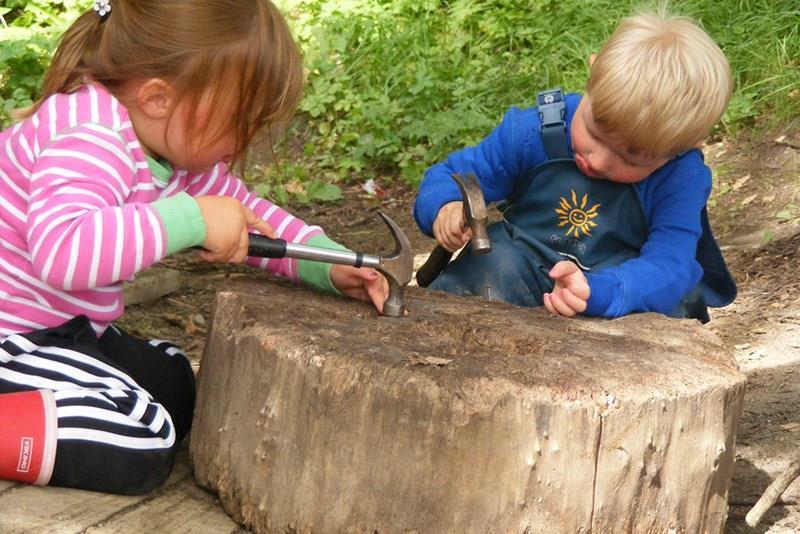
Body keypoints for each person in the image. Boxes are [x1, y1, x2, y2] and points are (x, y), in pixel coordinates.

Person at [0, 0, 388, 495]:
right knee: (143, 439)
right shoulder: (89, 135)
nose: (248, 136)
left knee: (175, 387)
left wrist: (329, 265)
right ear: (159, 97)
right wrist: (190, 218)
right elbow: (63, 251)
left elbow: (249, 214)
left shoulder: (170, 147)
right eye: (239, 119)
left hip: (63, 329)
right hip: (13, 334)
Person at [413, 9, 737, 322]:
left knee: (666, 301)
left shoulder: (680, 178)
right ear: (592, 76)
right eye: (594, 132)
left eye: (630, 158)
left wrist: (601, 292)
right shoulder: (534, 133)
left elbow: (671, 266)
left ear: (682, 149)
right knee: (494, 260)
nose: (599, 159)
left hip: (613, 282)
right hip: (521, 264)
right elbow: (450, 176)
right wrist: (446, 206)